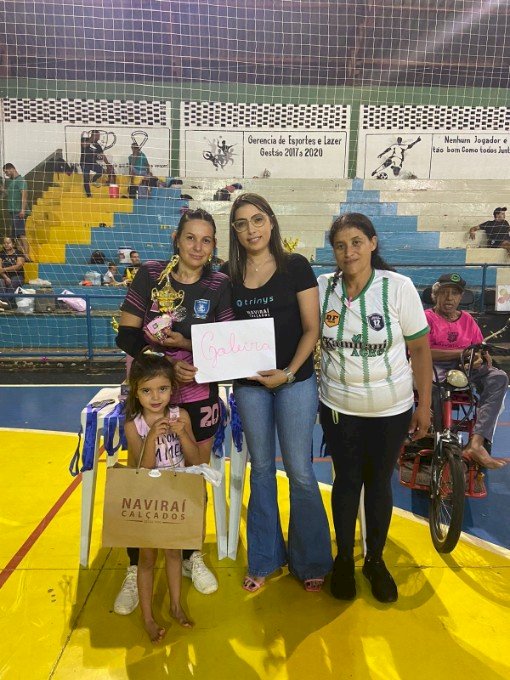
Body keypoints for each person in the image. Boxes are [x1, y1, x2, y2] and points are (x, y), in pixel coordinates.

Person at [113, 207, 235, 614]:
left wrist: (193, 351)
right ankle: (136, 565)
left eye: (206, 240)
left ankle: (188, 556)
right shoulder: (150, 275)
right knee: (142, 477)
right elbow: (126, 335)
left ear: (214, 246)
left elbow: (227, 344)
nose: (197, 247)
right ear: (176, 241)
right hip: (152, 391)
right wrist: (166, 367)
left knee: (193, 475)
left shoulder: (220, 283)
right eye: (190, 238)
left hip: (198, 395)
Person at [318, 212, 432, 604]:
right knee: (347, 482)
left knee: (378, 483)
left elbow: (419, 350)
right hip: (338, 407)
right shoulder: (322, 289)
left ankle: (376, 561)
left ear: (372, 243)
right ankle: (344, 561)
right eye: (340, 245)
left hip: (391, 410)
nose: (348, 252)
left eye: (355, 242)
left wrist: (425, 406)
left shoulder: (399, 288)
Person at [224, 193, 333, 593]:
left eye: (257, 220)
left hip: (295, 382)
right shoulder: (228, 274)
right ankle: (266, 558)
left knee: (302, 473)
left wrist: (287, 373)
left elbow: (311, 328)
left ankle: (312, 560)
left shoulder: (295, 267)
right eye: (240, 223)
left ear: (271, 222)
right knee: (263, 469)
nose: (250, 229)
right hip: (250, 386)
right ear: (234, 231)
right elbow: (218, 334)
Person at [125, 354, 200, 642]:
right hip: (148, 497)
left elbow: (194, 461)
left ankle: (176, 605)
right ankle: (147, 617)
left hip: (177, 495)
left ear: (172, 389)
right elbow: (140, 469)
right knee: (146, 558)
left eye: (162, 389)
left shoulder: (181, 416)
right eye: (146, 390)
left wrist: (183, 436)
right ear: (136, 392)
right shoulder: (134, 425)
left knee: (173, 553)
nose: (155, 397)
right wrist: (152, 438)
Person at [425, 273, 510, 470]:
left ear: (461, 297)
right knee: (434, 385)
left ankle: (476, 444)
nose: (449, 298)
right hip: (436, 368)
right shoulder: (426, 318)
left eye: (455, 294)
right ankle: (437, 437)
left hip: (466, 368)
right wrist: (461, 353)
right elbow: (423, 352)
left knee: (498, 377)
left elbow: (478, 348)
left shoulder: (468, 320)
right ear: (435, 295)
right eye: (444, 293)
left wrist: (479, 357)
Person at [2, 163, 31, 260]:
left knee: (21, 233)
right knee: (15, 235)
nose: (6, 174)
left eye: (6, 172)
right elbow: (10, 194)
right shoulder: (11, 182)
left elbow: (24, 195)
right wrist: (2, 190)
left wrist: (22, 210)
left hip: (19, 211)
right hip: (13, 211)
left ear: (12, 169)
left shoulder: (21, 180)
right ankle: (21, 255)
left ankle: (27, 255)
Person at [81, 130, 116, 197]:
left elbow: (102, 155)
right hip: (84, 163)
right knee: (86, 179)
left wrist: (107, 164)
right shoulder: (85, 140)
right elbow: (84, 145)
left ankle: (93, 180)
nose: (99, 138)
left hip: (92, 163)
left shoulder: (98, 145)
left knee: (101, 171)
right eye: (98, 136)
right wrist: (91, 139)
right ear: (94, 135)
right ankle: (89, 195)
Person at [0, 236, 25, 309]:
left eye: (8, 243)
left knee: (13, 283)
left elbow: (18, 266)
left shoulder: (19, 253)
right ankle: (6, 304)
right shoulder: (1, 253)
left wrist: (4, 269)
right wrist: (6, 277)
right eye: (4, 243)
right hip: (3, 276)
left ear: (13, 244)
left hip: (17, 275)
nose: (6, 245)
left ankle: (3, 302)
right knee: (0, 283)